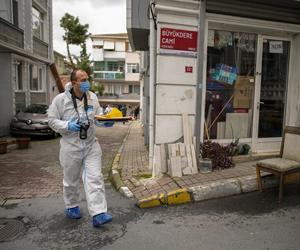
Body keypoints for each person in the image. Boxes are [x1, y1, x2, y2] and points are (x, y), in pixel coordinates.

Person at [48, 69, 112, 228]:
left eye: (87, 79)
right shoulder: (60, 100)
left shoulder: (92, 97)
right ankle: (71, 205)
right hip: (70, 147)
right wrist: (67, 125)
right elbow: (51, 120)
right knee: (71, 180)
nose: (86, 82)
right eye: (83, 80)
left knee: (95, 178)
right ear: (74, 82)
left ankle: (98, 213)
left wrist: (104, 121)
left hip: (91, 145)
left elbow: (97, 117)